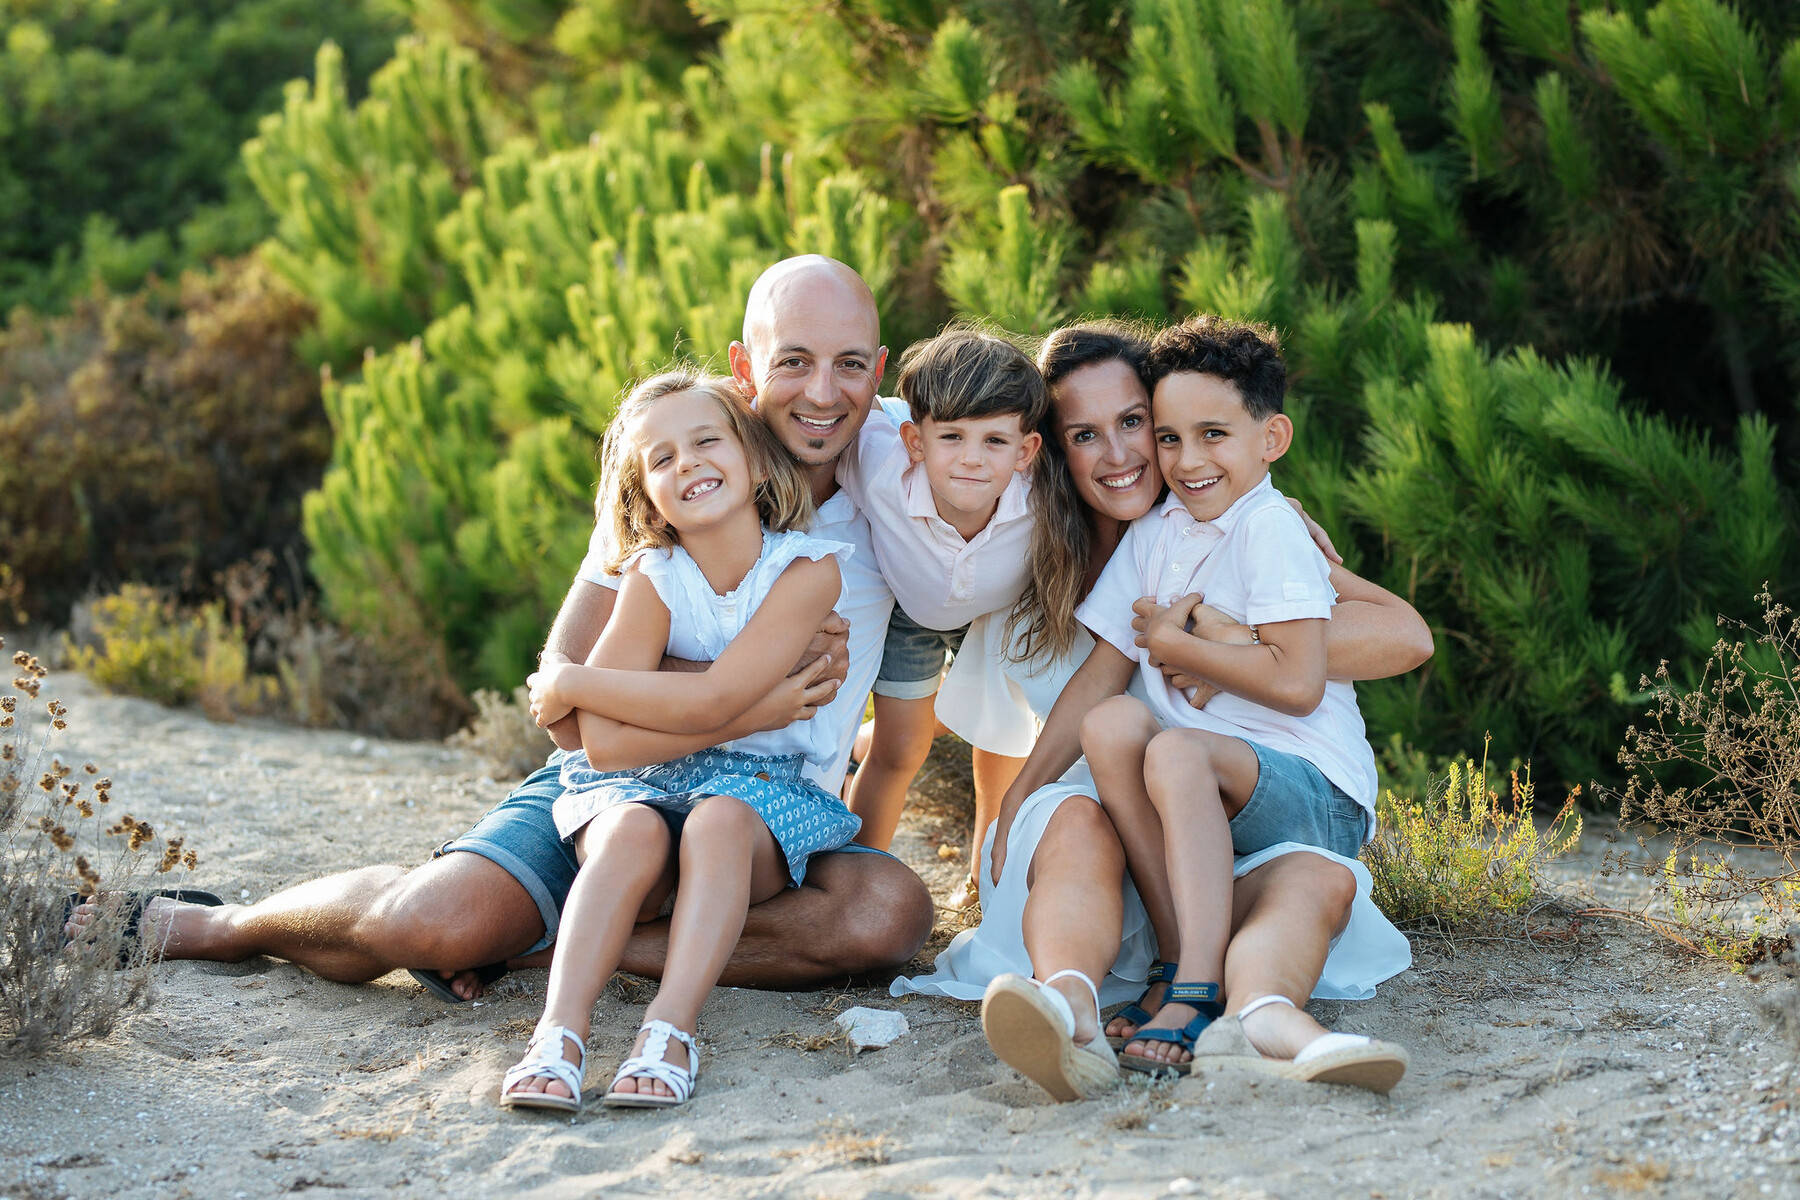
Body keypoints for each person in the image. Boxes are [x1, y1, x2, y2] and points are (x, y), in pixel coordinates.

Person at [68, 256, 933, 998]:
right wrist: (746, 689)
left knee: (887, 914)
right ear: (746, 365)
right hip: (618, 793)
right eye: (795, 361)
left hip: (768, 821)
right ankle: (219, 926)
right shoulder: (682, 465)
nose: (824, 394)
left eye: (851, 364)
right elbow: (562, 701)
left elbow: (1019, 481)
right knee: (430, 925)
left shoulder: (909, 483)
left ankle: (543, 952)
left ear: (880, 370)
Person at [895, 320, 1428, 1100]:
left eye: (1138, 424)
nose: (1130, 454)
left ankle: (1228, 1001)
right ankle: (1091, 1006)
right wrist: (1012, 801)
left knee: (1306, 875)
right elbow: (1100, 679)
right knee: (1112, 745)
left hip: (1251, 799)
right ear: (1047, 448)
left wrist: (1215, 641)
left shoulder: (1256, 523)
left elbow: (1369, 649)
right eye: (1086, 433)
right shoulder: (1104, 539)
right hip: (1150, 829)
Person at [499, 373, 862, 1112]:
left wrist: (571, 680)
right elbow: (600, 747)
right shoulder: (653, 575)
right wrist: (751, 709)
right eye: (660, 459)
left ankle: (669, 1029)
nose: (688, 463)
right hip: (640, 779)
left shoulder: (807, 570)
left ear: (756, 459)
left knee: (719, 820)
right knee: (627, 830)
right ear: (644, 496)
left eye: (705, 441)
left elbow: (718, 694)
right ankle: (560, 1034)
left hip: (758, 794)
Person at [838, 328, 1079, 878]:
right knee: (900, 748)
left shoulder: (1046, 491)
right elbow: (793, 419)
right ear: (914, 441)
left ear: (1026, 451)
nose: (971, 460)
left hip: (1000, 615)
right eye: (951, 437)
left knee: (1003, 742)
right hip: (911, 612)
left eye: (994, 442)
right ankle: (855, 875)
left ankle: (982, 878)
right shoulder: (878, 460)